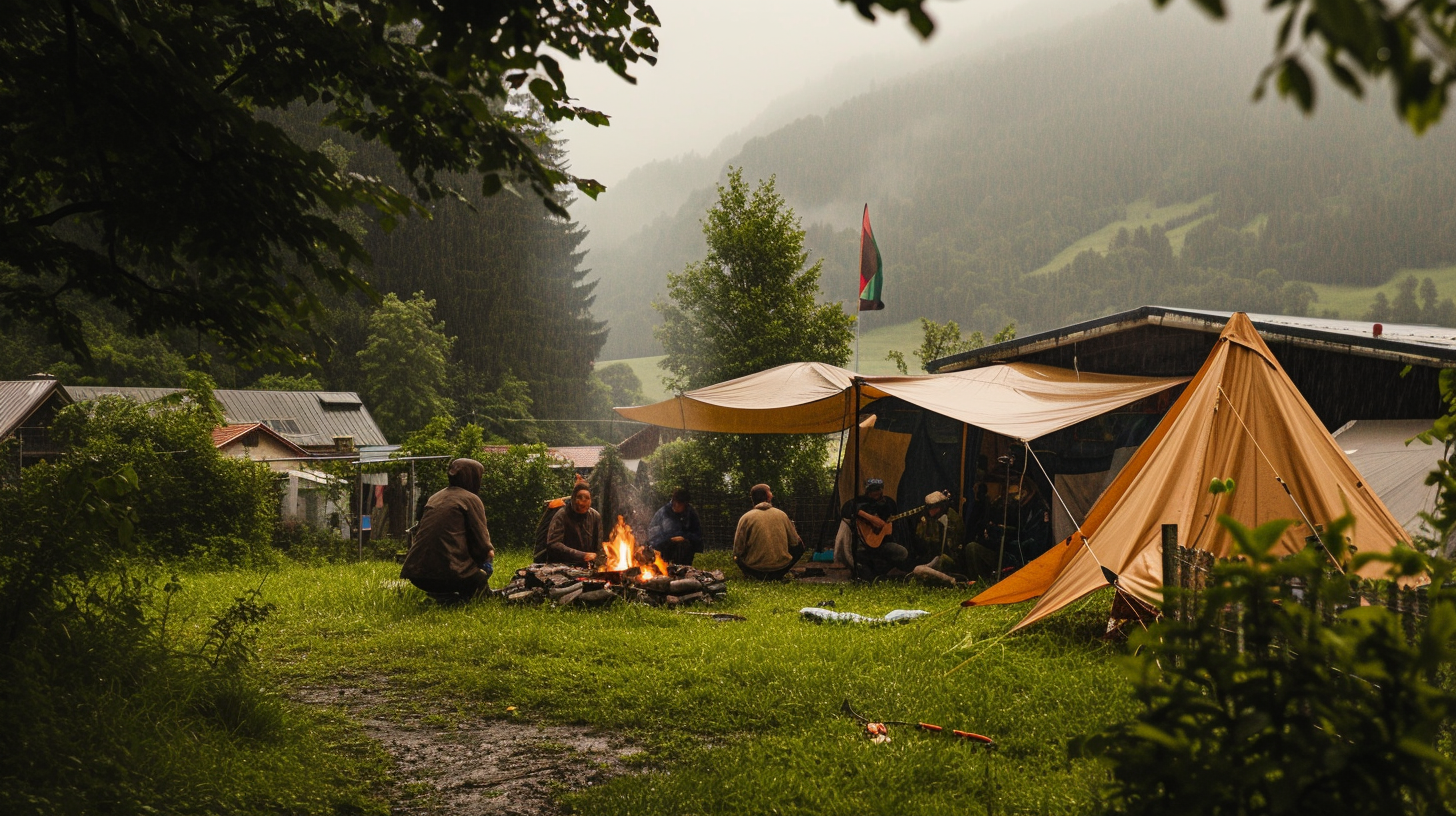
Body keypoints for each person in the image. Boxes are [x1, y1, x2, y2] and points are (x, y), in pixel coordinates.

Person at [400, 458, 495, 602]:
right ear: (473, 477)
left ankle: (443, 596)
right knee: (487, 559)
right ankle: (472, 594)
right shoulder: (471, 499)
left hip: (417, 575)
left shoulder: (435, 497)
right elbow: (483, 545)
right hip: (451, 575)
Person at [732, 483, 804, 580]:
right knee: (800, 547)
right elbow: (795, 542)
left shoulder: (745, 517)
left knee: (736, 557)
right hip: (780, 569)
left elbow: (737, 550)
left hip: (754, 570)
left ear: (752, 498)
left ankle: (750, 575)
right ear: (768, 497)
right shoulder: (782, 515)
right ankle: (780, 570)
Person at [840, 477, 908, 578]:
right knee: (862, 562)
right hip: (862, 546)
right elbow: (846, 509)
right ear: (867, 491)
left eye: (878, 489)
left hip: (883, 544)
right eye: (872, 490)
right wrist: (871, 518)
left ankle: (884, 573)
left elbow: (894, 520)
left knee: (902, 553)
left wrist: (887, 529)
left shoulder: (889, 503)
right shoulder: (860, 501)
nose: (875, 492)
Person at [536, 483, 601, 565]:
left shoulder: (595, 516)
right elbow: (553, 544)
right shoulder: (562, 515)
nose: (582, 501)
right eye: (579, 497)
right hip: (563, 565)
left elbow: (599, 546)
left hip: (587, 566)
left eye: (587, 498)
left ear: (591, 501)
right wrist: (582, 556)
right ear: (573, 499)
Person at [914, 491, 968, 578]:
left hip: (950, 560)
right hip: (934, 557)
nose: (931, 511)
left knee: (942, 560)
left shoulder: (952, 520)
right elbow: (923, 542)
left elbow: (952, 549)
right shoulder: (928, 519)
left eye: (934, 507)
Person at [646, 487, 703, 565]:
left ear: (685, 504)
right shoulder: (663, 512)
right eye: (674, 502)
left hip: (684, 551)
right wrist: (669, 539)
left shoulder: (691, 514)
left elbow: (698, 536)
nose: (675, 506)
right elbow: (652, 535)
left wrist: (685, 537)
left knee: (683, 545)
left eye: (679, 504)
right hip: (665, 549)